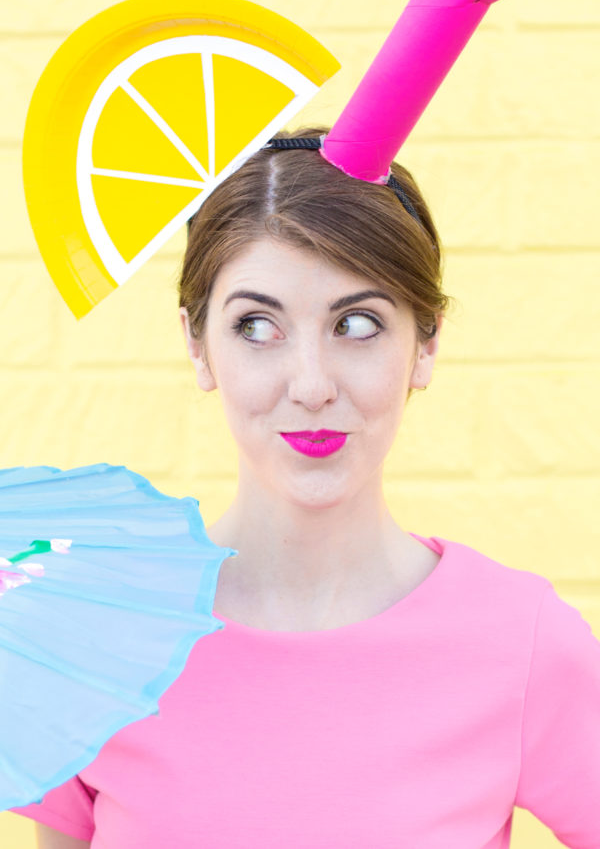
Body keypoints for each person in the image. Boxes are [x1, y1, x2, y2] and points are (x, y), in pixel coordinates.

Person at [12, 128, 600, 848]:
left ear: (428, 342)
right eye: (256, 326)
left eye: (358, 324)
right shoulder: (92, 639)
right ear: (198, 346)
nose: (312, 385)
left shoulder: (527, 644)